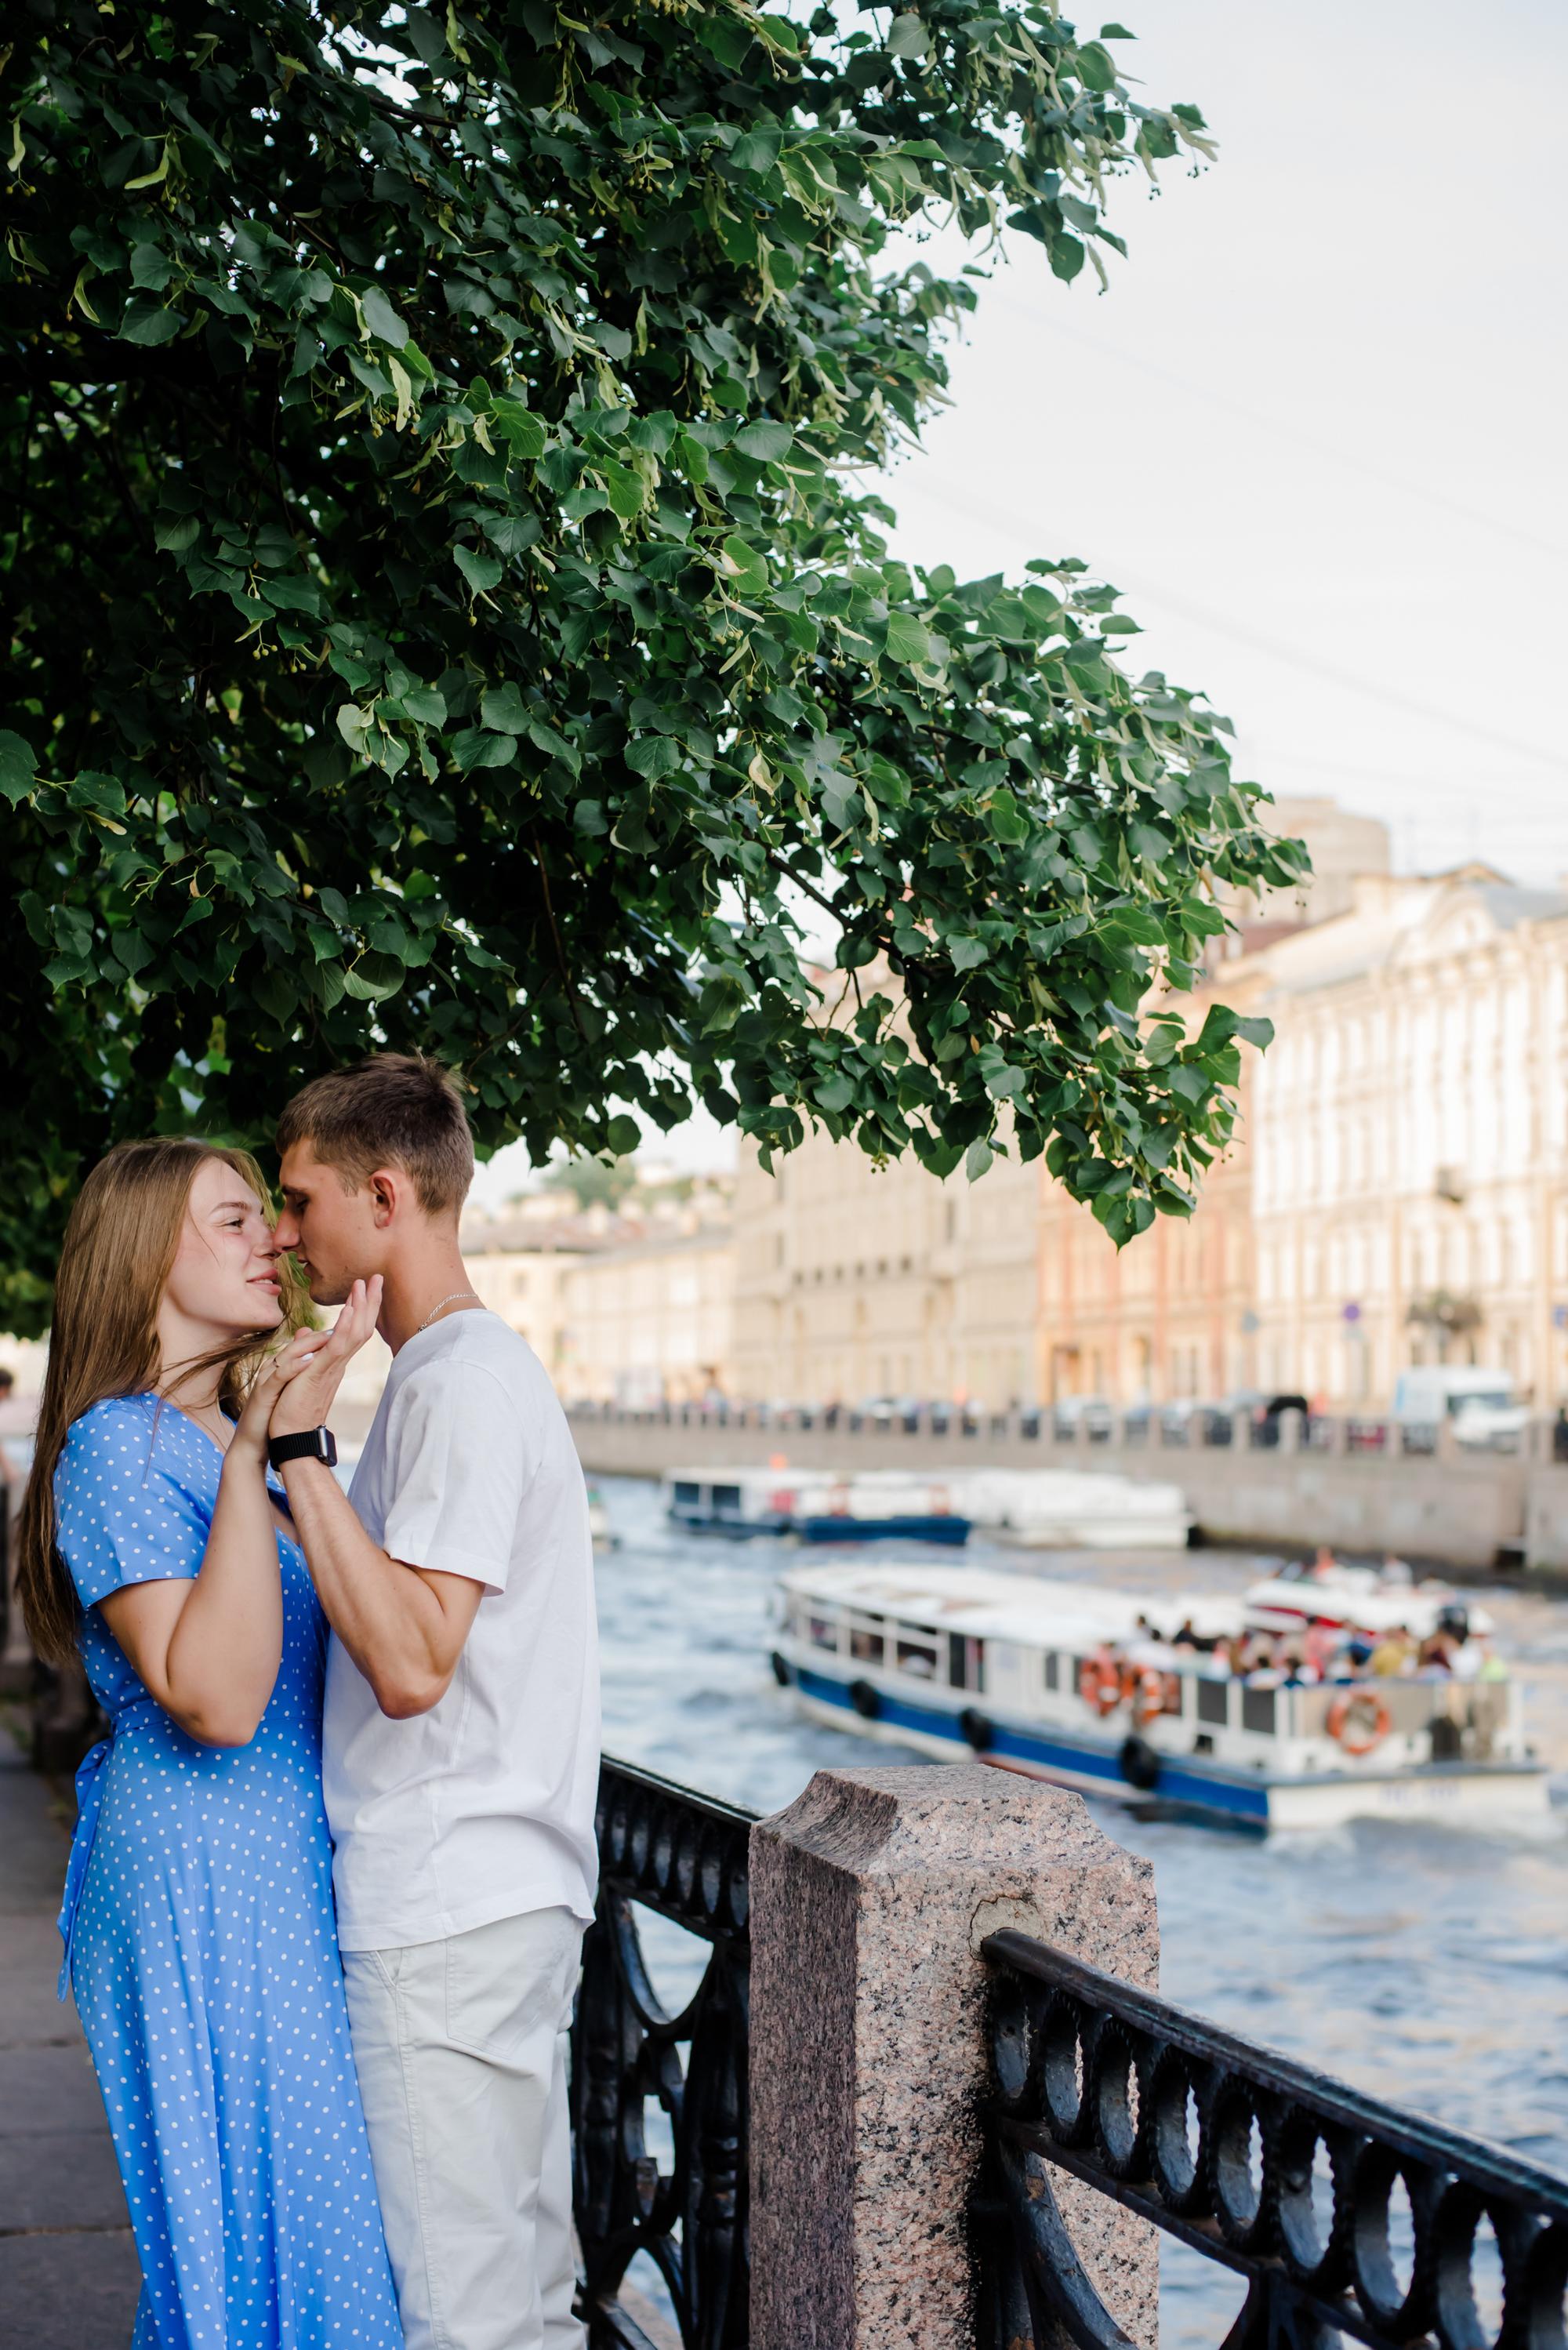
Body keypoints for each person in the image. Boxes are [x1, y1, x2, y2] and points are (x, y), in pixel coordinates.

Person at [15, 1138, 403, 2350]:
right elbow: (218, 1698)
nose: (274, 1241)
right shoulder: (115, 1446)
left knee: (287, 2246)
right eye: (236, 1220)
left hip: (261, 1868)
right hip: (200, 1870)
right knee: (246, 2256)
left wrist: (272, 1443)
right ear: (146, 1254)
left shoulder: (195, 1436)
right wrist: (258, 1449)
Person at [268, 1054, 600, 2350]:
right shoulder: (448, 1370)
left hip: (444, 1908)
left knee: (455, 2316)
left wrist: (299, 1454)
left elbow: (412, 1664)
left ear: (386, 1194)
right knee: (520, 2300)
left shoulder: (457, 1381)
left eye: (302, 1201)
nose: (288, 1233)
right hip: (495, 1898)